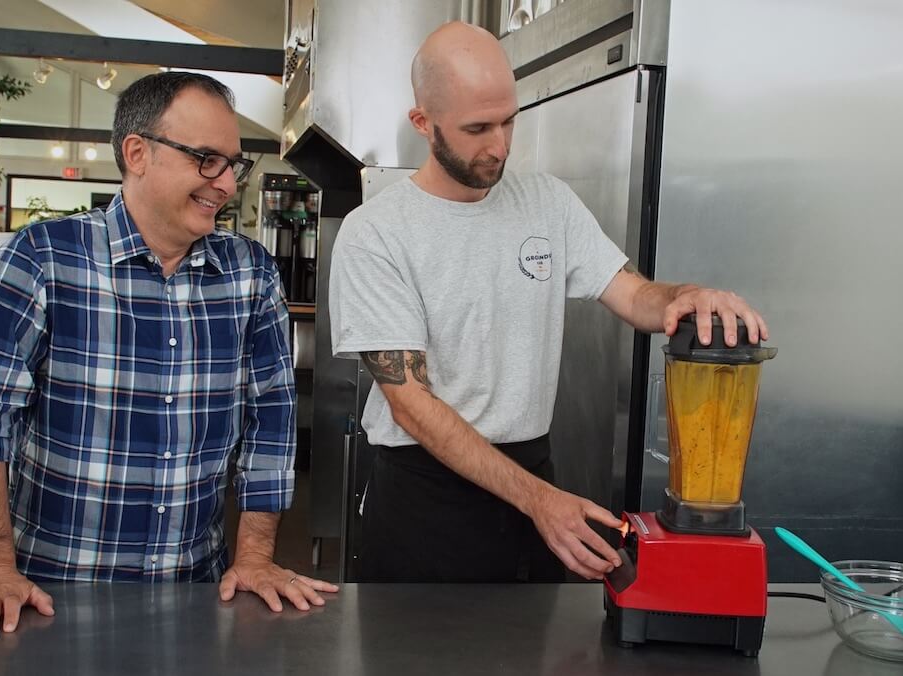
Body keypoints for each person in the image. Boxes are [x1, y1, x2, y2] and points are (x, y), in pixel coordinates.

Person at [328, 22, 769, 583]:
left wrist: (690, 296)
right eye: (477, 128)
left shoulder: (547, 204)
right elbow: (412, 404)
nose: (500, 145)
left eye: (509, 121)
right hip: (427, 499)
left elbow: (635, 296)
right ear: (423, 123)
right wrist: (540, 501)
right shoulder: (377, 234)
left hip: (534, 479)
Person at [0, 72, 336, 637]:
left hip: (199, 595)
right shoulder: (44, 258)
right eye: (206, 159)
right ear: (137, 153)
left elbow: (272, 419)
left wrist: (256, 557)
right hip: (52, 596)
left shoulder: (249, 272)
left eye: (233, 165)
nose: (225, 184)